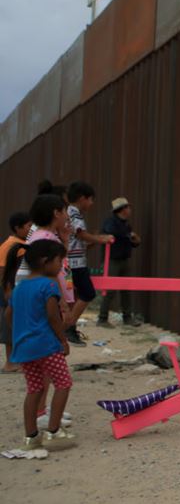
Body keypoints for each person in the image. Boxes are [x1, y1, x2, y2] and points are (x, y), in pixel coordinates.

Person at [3, 238, 76, 450]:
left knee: (34, 389)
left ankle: (31, 437)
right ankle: (54, 432)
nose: (61, 266)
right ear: (46, 261)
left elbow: (9, 315)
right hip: (46, 344)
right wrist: (62, 339)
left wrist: (21, 331)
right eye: (59, 261)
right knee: (63, 383)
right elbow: (53, 317)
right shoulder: (48, 285)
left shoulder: (20, 288)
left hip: (24, 347)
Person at [64, 181, 114, 344]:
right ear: (82, 198)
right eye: (91, 199)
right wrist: (100, 239)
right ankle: (69, 328)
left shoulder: (69, 212)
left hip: (71, 261)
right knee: (87, 293)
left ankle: (67, 326)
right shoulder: (75, 213)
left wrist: (91, 242)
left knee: (75, 296)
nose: (92, 204)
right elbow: (81, 234)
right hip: (75, 263)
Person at [99, 197, 141, 327]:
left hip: (124, 259)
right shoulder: (111, 222)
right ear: (122, 209)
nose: (130, 210)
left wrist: (135, 240)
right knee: (110, 290)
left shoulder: (126, 224)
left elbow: (131, 241)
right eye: (128, 207)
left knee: (126, 289)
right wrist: (130, 236)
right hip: (112, 260)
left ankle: (127, 317)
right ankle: (102, 318)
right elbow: (113, 233)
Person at [1, 212, 32, 372]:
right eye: (28, 226)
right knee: (10, 327)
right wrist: (7, 290)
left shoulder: (21, 244)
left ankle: (17, 361)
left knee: (16, 326)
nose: (30, 228)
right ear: (17, 228)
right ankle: (10, 363)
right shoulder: (12, 246)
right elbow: (2, 270)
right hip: (10, 291)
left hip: (16, 291)